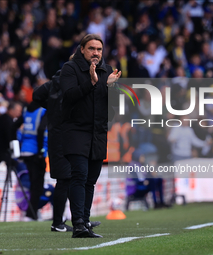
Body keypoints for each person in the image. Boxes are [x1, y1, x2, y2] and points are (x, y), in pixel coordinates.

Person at [59, 34, 121, 238]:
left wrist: (111, 87)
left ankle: (84, 222)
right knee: (80, 175)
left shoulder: (107, 71)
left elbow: (112, 110)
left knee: (90, 180)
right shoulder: (70, 69)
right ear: (82, 49)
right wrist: (92, 83)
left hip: (98, 134)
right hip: (76, 131)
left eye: (99, 49)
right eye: (92, 48)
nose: (96, 52)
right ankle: (78, 224)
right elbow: (68, 97)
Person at [33, 56, 102, 232]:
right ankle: (59, 222)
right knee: (66, 179)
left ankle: (79, 219)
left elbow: (37, 95)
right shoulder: (70, 82)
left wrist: (53, 108)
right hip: (66, 133)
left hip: (59, 133)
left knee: (71, 178)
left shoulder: (54, 82)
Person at [18, 101, 47, 221]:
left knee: (32, 183)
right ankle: (31, 213)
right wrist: (41, 150)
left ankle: (32, 212)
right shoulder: (43, 111)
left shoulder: (26, 111)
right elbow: (41, 130)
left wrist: (15, 144)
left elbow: (15, 127)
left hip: (24, 150)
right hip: (36, 152)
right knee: (37, 185)